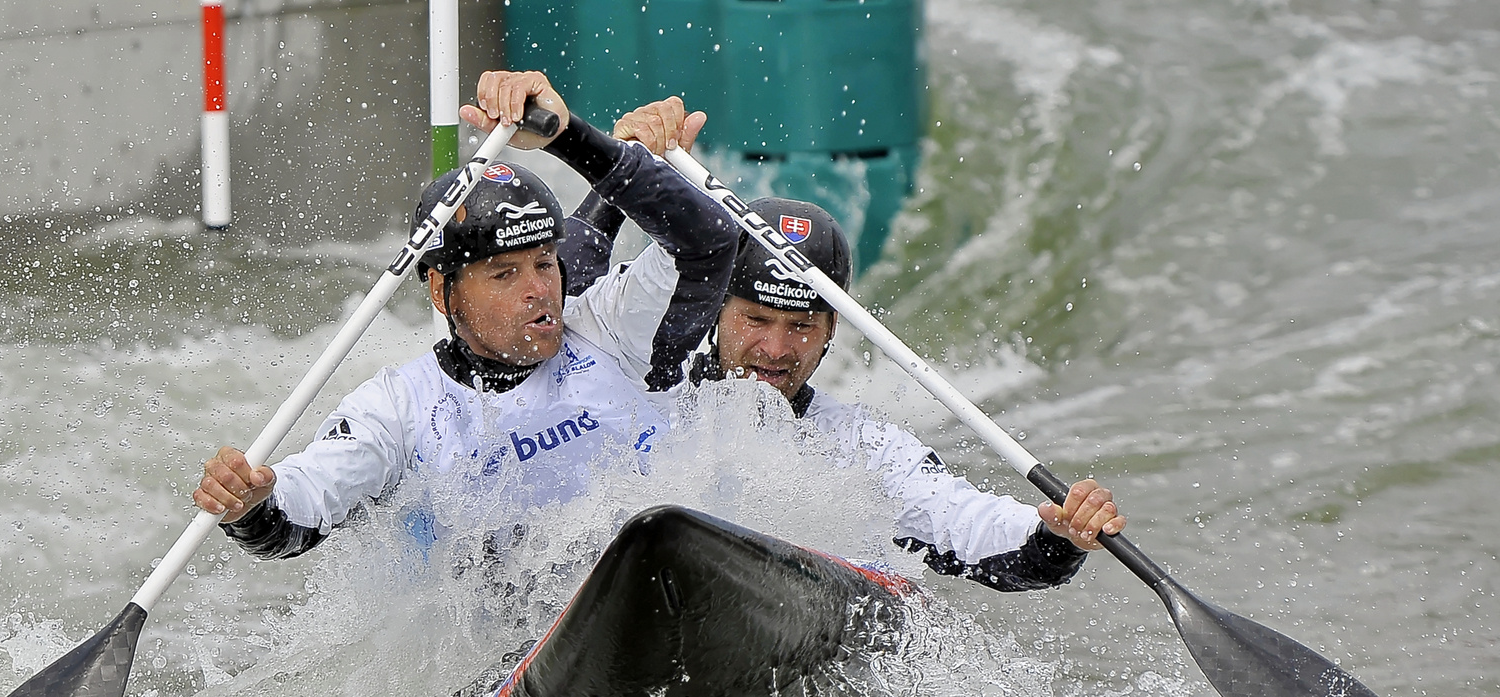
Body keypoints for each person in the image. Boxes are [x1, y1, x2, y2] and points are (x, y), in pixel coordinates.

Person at [565, 118, 1125, 592]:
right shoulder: (635, 368)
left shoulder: (860, 449)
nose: (776, 350)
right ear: (714, 308)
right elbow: (574, 279)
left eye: (801, 327)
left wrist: (1057, 534)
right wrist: (629, 157)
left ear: (834, 329)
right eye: (756, 320)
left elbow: (970, 528)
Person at [193, 73, 738, 555]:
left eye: (545, 264)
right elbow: (299, 505)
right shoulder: (398, 410)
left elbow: (709, 240)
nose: (539, 291)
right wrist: (249, 504)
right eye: (504, 274)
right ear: (440, 291)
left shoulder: (609, 333)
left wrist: (570, 138)